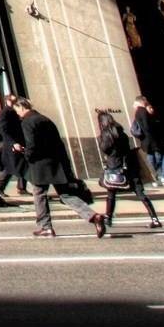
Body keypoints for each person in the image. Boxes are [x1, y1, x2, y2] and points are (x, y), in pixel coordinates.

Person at [18, 97, 105, 238]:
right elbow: (58, 143)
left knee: (39, 194)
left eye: (17, 111)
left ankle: (46, 227)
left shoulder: (27, 122)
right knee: (66, 194)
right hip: (56, 163)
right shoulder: (45, 119)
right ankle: (93, 216)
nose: (18, 114)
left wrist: (24, 153)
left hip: (40, 165)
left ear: (22, 108)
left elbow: (32, 145)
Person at [94, 108, 163, 233]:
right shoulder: (122, 133)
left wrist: (100, 138)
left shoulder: (106, 135)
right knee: (140, 193)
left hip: (114, 166)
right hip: (129, 166)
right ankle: (155, 219)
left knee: (111, 193)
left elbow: (105, 149)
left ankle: (108, 217)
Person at [131, 96, 164, 185]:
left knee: (152, 157)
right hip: (150, 139)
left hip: (146, 140)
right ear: (142, 101)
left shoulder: (138, 111)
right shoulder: (142, 111)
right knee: (159, 156)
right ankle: (159, 175)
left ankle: (155, 176)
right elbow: (147, 126)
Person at [0, 95, 30, 196]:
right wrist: (13, 143)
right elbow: (4, 130)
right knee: (11, 167)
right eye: (12, 101)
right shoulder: (5, 113)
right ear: (7, 101)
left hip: (20, 142)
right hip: (12, 144)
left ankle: (21, 188)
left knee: (23, 165)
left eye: (15, 100)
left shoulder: (16, 112)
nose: (14, 102)